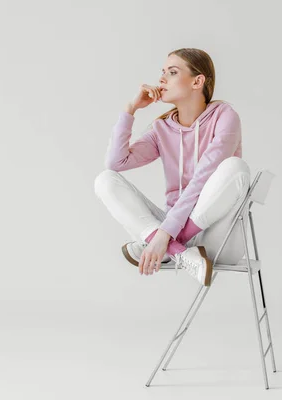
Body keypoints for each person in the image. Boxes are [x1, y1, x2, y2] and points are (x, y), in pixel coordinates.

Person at [94, 48, 251, 286]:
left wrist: (163, 237)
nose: (162, 79)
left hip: (218, 237)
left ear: (198, 81)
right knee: (105, 180)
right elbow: (116, 163)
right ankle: (177, 252)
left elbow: (202, 179)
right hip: (172, 232)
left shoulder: (224, 116)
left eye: (173, 72)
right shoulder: (162, 129)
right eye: (163, 72)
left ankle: (163, 247)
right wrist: (131, 109)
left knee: (235, 167)